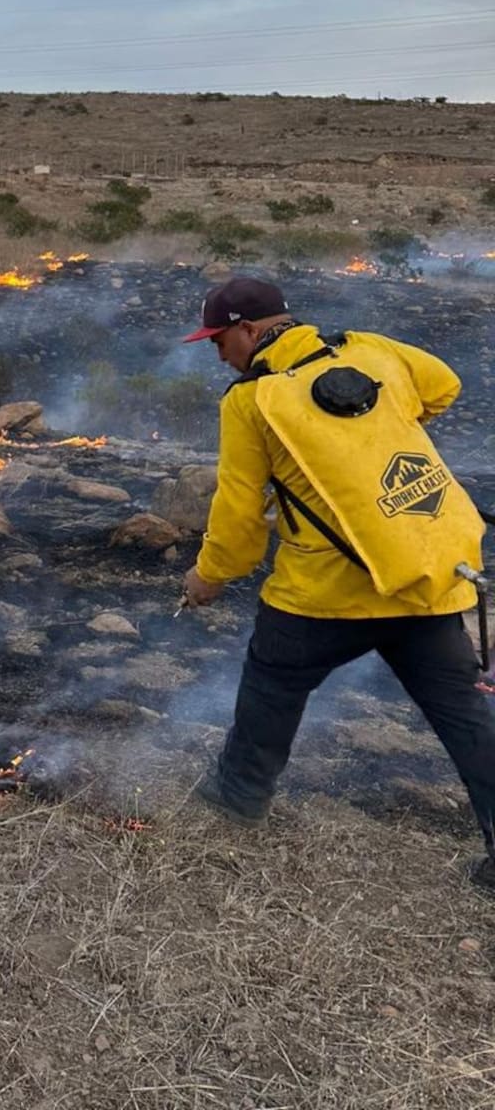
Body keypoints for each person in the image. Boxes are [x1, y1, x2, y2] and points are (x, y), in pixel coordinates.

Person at [180, 275, 495, 892]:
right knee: (465, 715)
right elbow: (443, 385)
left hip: (321, 596)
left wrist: (208, 576)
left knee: (271, 682)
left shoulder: (251, 400)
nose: (217, 354)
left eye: (219, 341)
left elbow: (240, 517)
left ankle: (238, 801)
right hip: (418, 573)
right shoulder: (368, 348)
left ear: (248, 330)